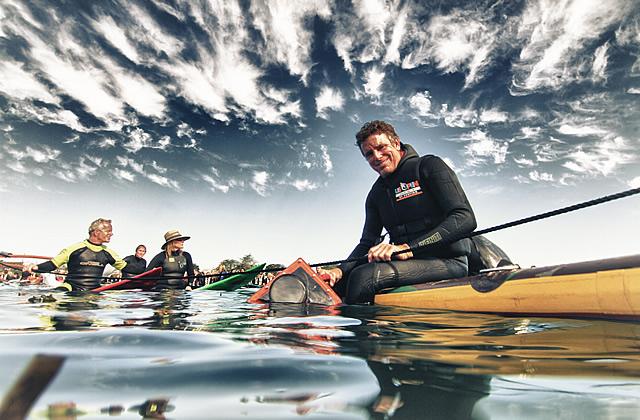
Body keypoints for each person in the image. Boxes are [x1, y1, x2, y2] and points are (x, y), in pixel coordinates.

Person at [318, 120, 477, 304]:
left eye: (381, 147)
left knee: (365, 277)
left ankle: (364, 332)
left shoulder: (429, 165)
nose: (376, 156)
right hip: (406, 265)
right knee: (336, 285)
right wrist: (339, 271)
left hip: (449, 261)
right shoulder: (375, 195)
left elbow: (464, 218)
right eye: (369, 154)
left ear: (396, 143)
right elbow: (367, 242)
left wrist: (408, 249)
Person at [23, 218, 127, 291]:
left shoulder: (109, 253)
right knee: (53, 298)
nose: (111, 234)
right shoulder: (74, 248)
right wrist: (34, 267)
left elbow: (128, 268)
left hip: (95, 290)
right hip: (70, 287)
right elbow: (53, 264)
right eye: (108, 231)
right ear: (96, 232)